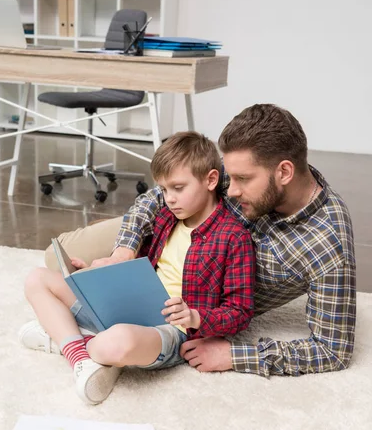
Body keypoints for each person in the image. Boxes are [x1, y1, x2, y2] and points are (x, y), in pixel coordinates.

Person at [45, 104, 356, 378]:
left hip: (196, 302)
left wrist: (236, 355)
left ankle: (76, 334)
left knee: (91, 311)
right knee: (54, 259)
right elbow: (156, 198)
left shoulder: (328, 244)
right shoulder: (238, 168)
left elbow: (332, 351)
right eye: (228, 176)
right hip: (168, 235)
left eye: (242, 181)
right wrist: (124, 252)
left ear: (284, 172)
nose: (230, 189)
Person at [20, 132, 255, 404]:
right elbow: (141, 264)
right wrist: (100, 278)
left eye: (178, 188)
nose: (169, 199)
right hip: (127, 307)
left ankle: (66, 337)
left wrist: (194, 317)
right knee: (37, 278)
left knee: (118, 341)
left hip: (172, 329)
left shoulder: (234, 237)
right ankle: (82, 355)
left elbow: (240, 311)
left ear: (211, 180)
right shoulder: (167, 217)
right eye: (164, 190)